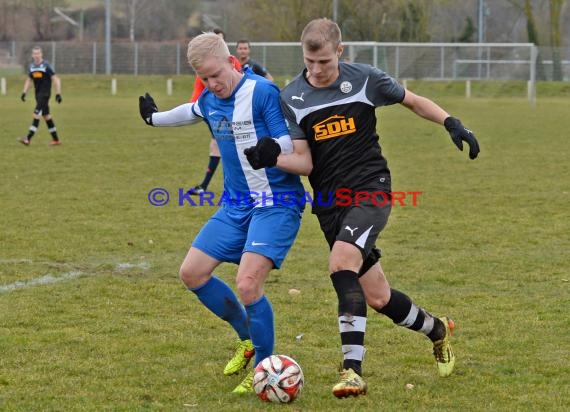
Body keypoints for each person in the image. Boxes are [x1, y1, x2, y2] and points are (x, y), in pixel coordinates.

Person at [244, 18, 480, 399]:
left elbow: (413, 100)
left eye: (324, 61)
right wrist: (270, 156)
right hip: (328, 204)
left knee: (341, 265)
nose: (316, 70)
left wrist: (451, 122)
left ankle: (352, 372)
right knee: (378, 296)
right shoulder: (293, 97)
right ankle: (438, 330)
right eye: (309, 62)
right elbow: (304, 162)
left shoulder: (366, 79)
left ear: (340, 52)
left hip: (371, 190)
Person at [138, 32, 310, 395]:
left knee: (247, 285)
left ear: (231, 61)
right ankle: (247, 339)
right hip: (235, 205)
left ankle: (266, 368)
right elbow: (191, 111)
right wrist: (154, 119)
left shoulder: (262, 91)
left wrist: (270, 149)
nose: (213, 84)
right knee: (192, 273)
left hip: (276, 202)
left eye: (217, 75)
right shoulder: (209, 98)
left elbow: (287, 141)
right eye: (205, 79)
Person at [188, 28, 241, 195]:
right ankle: (209, 185)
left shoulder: (237, 66)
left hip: (223, 111)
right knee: (218, 145)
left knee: (221, 144)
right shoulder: (203, 68)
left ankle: (208, 185)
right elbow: (198, 90)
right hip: (205, 110)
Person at [19, 46, 62, 146]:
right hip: (37, 95)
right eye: (35, 53)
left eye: (38, 53)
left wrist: (58, 93)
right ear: (32, 55)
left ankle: (28, 139)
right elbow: (29, 80)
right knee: (46, 116)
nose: (36, 55)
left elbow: (56, 79)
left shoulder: (46, 66)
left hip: (45, 94)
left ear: (41, 54)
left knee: (36, 115)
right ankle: (56, 140)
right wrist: (24, 92)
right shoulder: (32, 67)